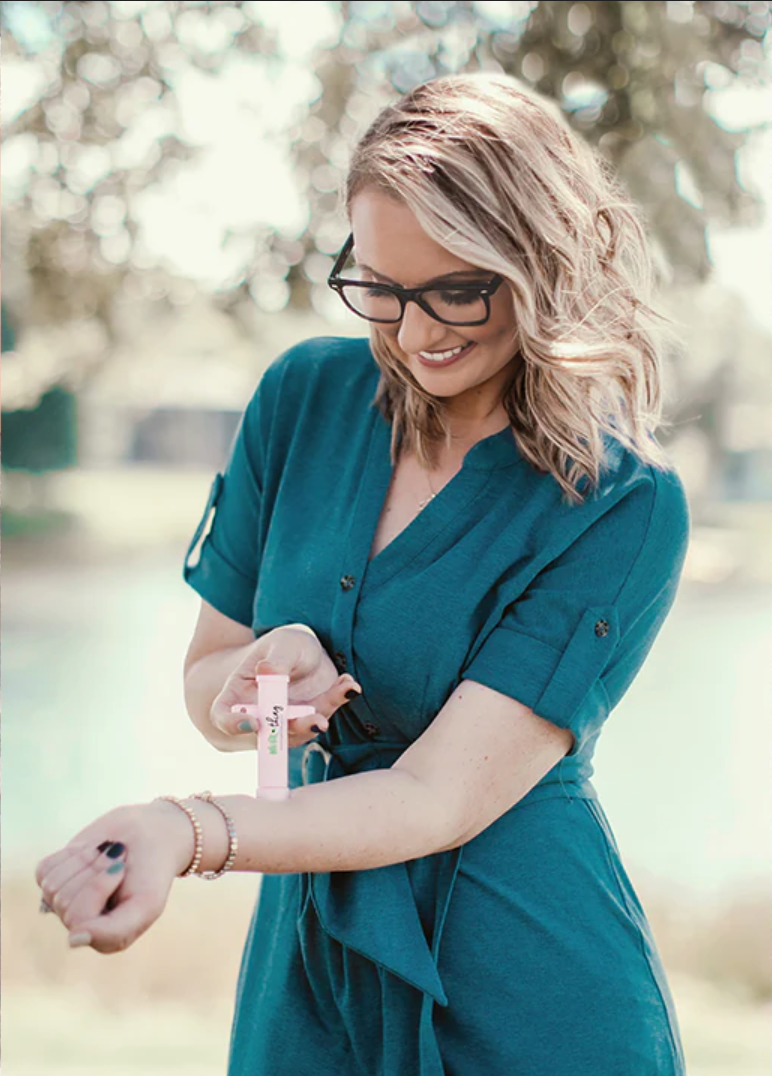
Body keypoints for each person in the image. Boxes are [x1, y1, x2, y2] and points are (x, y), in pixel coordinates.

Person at [35, 71, 690, 1075]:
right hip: (308, 967)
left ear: (537, 266)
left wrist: (184, 826)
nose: (418, 331)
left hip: (528, 983)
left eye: (458, 289)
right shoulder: (303, 397)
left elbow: (431, 796)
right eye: (382, 288)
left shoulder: (619, 504)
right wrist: (261, 671)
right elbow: (206, 682)